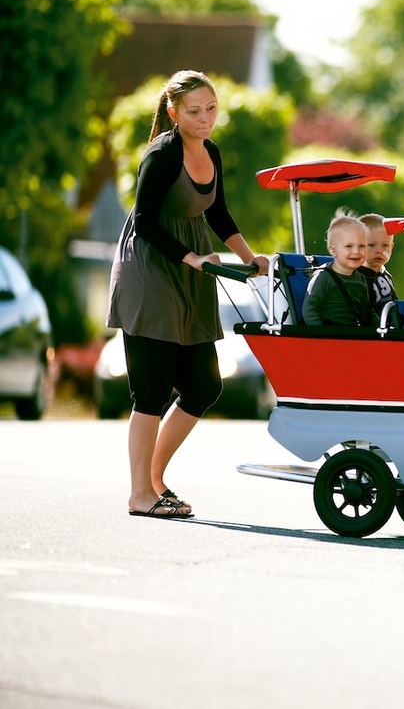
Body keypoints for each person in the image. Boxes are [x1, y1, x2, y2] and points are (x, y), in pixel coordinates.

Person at [106, 70, 269, 520]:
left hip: (190, 267)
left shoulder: (211, 151)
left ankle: (154, 481)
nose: (205, 119)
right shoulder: (161, 155)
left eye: (211, 108)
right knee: (151, 388)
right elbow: (145, 222)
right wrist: (192, 258)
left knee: (203, 384)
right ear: (174, 112)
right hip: (151, 270)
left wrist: (250, 257)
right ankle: (140, 493)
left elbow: (217, 212)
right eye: (194, 111)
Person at [302, 214, 373, 326]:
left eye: (362, 246)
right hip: (328, 335)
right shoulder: (322, 277)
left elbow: (366, 314)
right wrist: (319, 335)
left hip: (352, 336)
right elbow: (309, 309)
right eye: (349, 246)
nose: (356, 251)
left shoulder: (361, 279)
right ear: (333, 250)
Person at [357, 213, 399, 317]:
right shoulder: (356, 277)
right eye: (371, 245)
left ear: (392, 247)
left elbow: (396, 304)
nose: (379, 251)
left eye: (385, 245)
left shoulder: (385, 274)